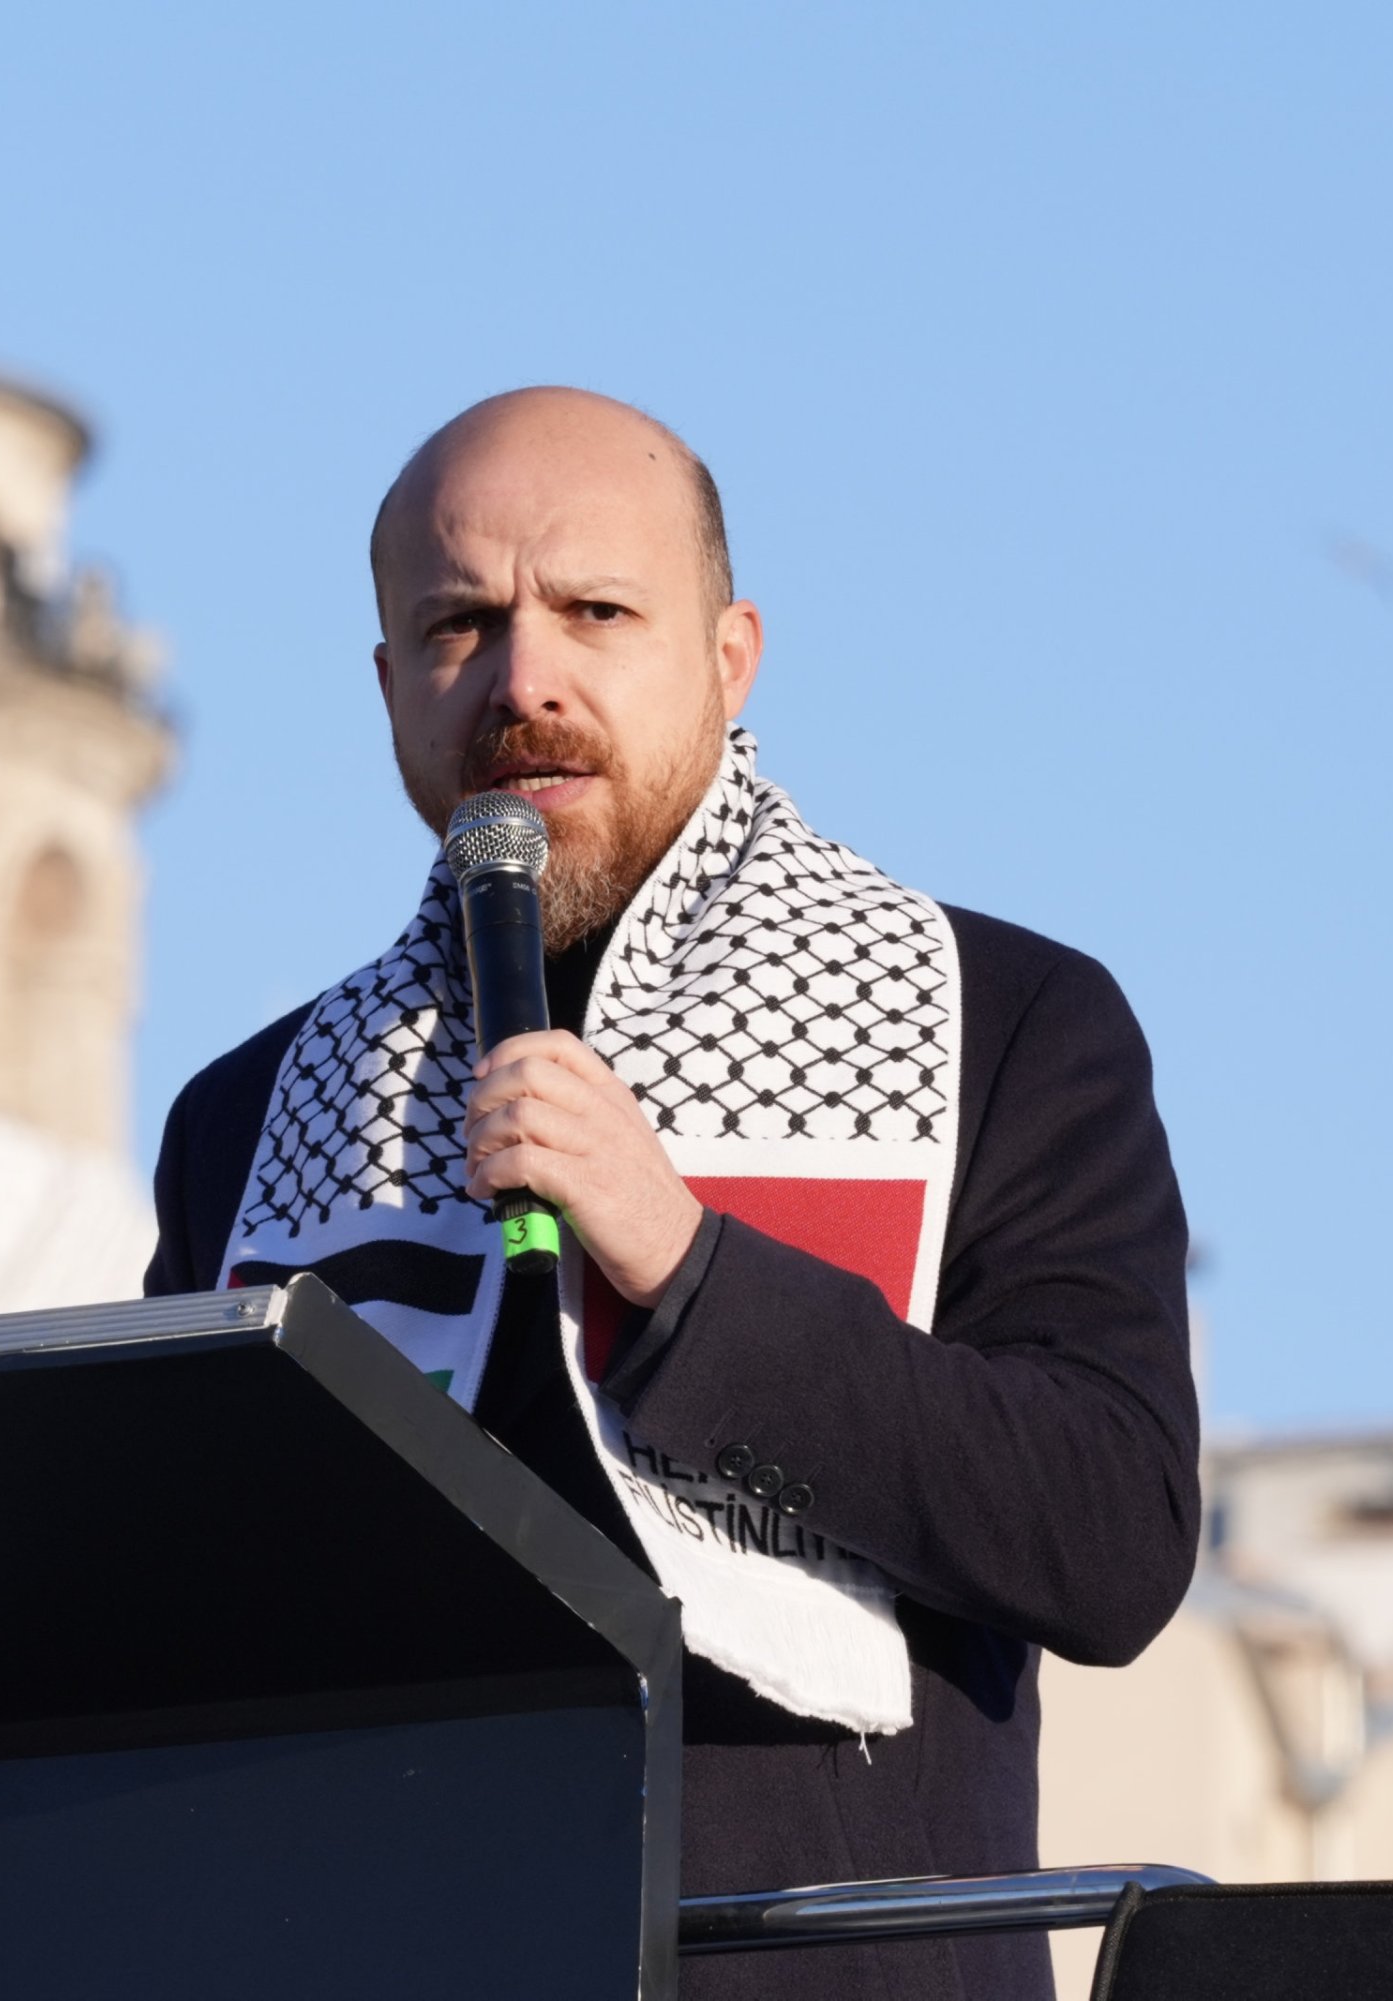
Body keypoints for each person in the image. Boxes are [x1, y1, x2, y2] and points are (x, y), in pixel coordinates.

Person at [144, 386, 1199, 2001]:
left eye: (596, 611)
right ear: (385, 688)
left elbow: (1111, 1538)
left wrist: (690, 1272)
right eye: (458, 625)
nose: (524, 679)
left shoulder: (1007, 1024)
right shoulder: (252, 1115)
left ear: (728, 655)